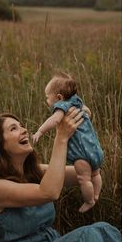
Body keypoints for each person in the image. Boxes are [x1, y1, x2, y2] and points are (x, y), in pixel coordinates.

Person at [0, 110, 122, 242]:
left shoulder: (34, 172)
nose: (24, 130)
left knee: (103, 230)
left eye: (22, 125)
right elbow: (49, 193)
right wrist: (61, 138)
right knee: (89, 235)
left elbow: (89, 173)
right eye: (13, 129)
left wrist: (81, 130)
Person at [32, 72, 104, 213]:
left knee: (84, 179)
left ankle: (89, 200)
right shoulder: (78, 102)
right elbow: (88, 112)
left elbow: (54, 120)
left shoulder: (62, 106)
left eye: (48, 97)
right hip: (95, 149)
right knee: (95, 175)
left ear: (59, 97)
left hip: (82, 155)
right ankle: (96, 194)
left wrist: (40, 131)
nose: (47, 101)